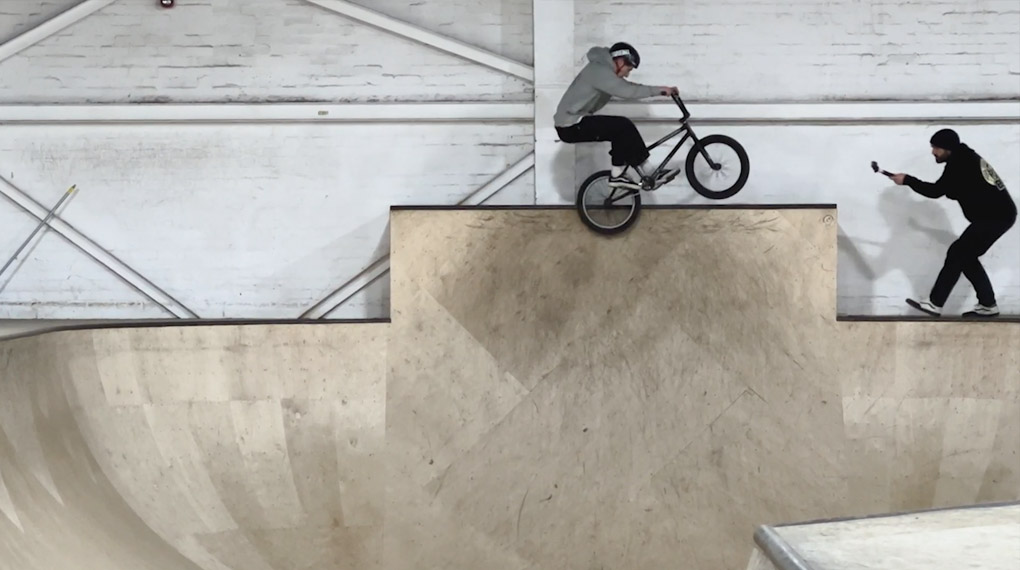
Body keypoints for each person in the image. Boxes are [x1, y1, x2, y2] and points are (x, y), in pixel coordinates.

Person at [889, 128, 1016, 317]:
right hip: (998, 215)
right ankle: (987, 304)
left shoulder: (960, 163)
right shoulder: (966, 158)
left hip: (995, 217)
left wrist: (908, 180)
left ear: (948, 148)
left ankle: (935, 303)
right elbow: (958, 188)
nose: (933, 152)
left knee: (958, 252)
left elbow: (936, 191)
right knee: (965, 256)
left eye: (936, 148)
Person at [553, 42, 678, 190]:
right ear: (619, 61)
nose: (627, 74)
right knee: (622, 126)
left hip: (575, 122)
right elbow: (628, 91)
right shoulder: (598, 71)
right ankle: (618, 175)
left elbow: (630, 87)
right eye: (628, 69)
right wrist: (661, 90)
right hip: (570, 126)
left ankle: (648, 171)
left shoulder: (603, 70)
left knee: (622, 130)